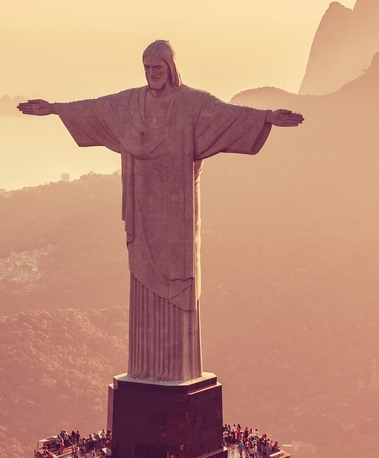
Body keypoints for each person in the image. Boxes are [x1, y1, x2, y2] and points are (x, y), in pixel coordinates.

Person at [19, 40, 302, 381]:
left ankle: (175, 370)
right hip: (142, 209)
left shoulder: (192, 104)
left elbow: (228, 115)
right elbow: (96, 109)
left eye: (158, 68)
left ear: (170, 68)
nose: (152, 74)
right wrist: (54, 109)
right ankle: (145, 370)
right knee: (142, 276)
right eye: (147, 68)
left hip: (177, 217)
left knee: (178, 281)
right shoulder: (131, 103)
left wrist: (266, 118)